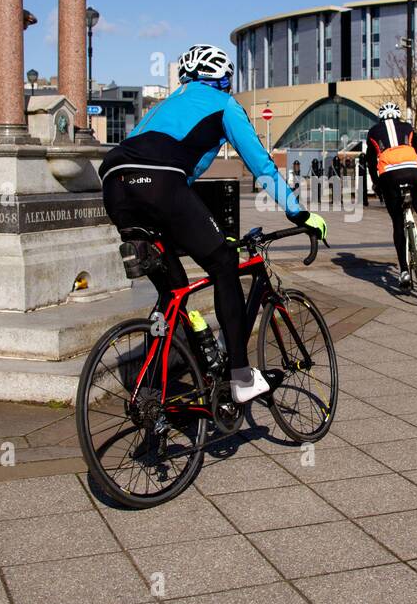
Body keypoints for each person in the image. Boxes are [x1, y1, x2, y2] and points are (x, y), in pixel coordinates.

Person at [98, 44, 327, 404]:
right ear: (223, 79)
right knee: (223, 263)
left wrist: (207, 229)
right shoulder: (224, 105)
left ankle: (153, 392)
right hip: (161, 184)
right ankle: (240, 376)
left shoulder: (162, 106)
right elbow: (262, 167)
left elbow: (170, 182)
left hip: (114, 185)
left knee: (173, 291)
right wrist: (298, 212)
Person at [365, 102, 417, 289]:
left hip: (390, 175)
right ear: (397, 116)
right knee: (416, 193)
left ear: (381, 118)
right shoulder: (408, 128)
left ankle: (404, 272)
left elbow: (371, 162)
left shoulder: (373, 132)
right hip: (412, 169)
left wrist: (377, 184)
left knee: (397, 222)